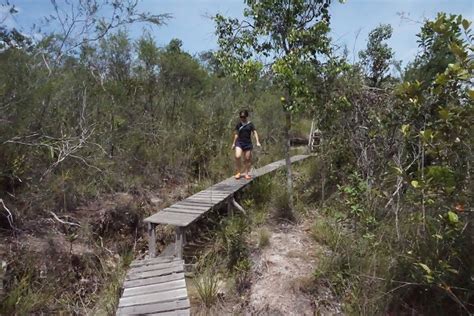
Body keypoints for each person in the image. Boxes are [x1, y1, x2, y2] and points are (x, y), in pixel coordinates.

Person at [232, 110, 261, 180]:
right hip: (239, 142)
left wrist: (257, 141)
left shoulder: (250, 124)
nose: (242, 118)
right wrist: (233, 143)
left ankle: (246, 173)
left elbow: (255, 132)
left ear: (246, 116)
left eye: (244, 117)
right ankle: (238, 172)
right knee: (237, 156)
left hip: (247, 143)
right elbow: (236, 134)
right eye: (241, 117)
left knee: (247, 159)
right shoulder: (238, 124)